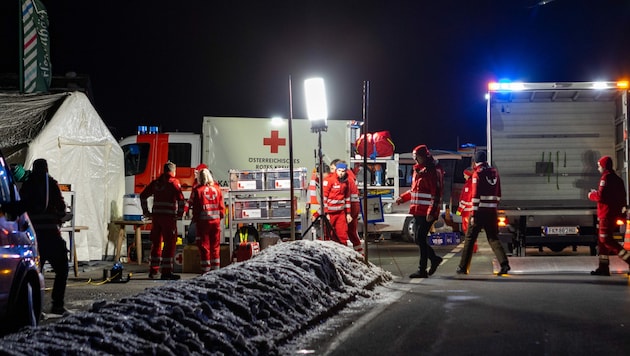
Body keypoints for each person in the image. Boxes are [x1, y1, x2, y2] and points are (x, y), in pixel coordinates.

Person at [19, 158, 69, 314]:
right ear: (47, 169)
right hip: (51, 235)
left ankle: (34, 308)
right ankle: (57, 304)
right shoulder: (52, 185)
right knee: (62, 269)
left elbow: (21, 208)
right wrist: (61, 216)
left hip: (33, 237)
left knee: (34, 273)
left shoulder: (26, 185)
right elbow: (61, 209)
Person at [456, 150, 511, 275]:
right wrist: (493, 206)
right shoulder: (494, 173)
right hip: (491, 211)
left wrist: (474, 214)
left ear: (475, 162)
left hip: (479, 211)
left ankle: (463, 267)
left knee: (470, 238)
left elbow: (475, 195)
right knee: (493, 238)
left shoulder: (477, 174)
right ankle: (504, 264)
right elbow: (499, 193)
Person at [396, 145, 444, 278]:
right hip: (418, 211)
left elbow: (436, 193)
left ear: (423, 156)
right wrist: (403, 198)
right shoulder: (419, 170)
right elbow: (415, 191)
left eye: (416, 157)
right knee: (419, 239)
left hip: (426, 212)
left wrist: (431, 211)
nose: (415, 160)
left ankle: (423, 269)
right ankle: (433, 259)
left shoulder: (432, 171)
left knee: (420, 238)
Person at [140, 161, 185, 280]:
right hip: (169, 218)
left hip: (156, 218)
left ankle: (153, 270)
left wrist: (146, 211)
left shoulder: (156, 183)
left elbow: (143, 195)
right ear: (173, 171)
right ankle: (166, 272)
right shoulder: (174, 183)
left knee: (156, 244)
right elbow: (181, 200)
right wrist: (179, 214)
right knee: (169, 244)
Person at [587, 156, 630, 275]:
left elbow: (601, 196)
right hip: (613, 215)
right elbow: (622, 197)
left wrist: (591, 195)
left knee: (606, 240)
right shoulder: (618, 179)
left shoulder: (605, 178)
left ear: (604, 166)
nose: (598, 168)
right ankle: (603, 267)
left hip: (606, 215)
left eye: (599, 165)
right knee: (602, 243)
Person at [185, 168, 225, 273]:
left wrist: (195, 219)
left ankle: (205, 271)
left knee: (204, 247)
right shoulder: (217, 189)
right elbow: (221, 208)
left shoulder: (198, 190)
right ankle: (216, 270)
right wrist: (218, 218)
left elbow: (196, 209)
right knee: (215, 247)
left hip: (203, 224)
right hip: (215, 223)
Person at [331, 159, 364, 255]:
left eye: (333, 169)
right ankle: (360, 253)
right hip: (354, 205)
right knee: (352, 231)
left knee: (341, 231)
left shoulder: (345, 179)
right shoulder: (351, 176)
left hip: (348, 207)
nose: (332, 171)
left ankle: (342, 254)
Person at [323, 161, 352, 246]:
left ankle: (343, 254)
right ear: (336, 170)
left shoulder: (346, 182)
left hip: (340, 213)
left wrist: (348, 213)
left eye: (343, 171)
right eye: (339, 171)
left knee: (342, 234)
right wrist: (326, 212)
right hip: (330, 213)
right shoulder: (329, 180)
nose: (341, 173)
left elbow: (347, 198)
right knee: (327, 234)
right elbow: (324, 198)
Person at [456, 167, 478, 252]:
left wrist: (459, 210)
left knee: (468, 230)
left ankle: (471, 247)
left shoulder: (468, 185)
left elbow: (465, 199)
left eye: (464, 174)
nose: (464, 176)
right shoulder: (471, 183)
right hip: (470, 211)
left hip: (466, 212)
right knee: (470, 230)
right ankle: (472, 247)